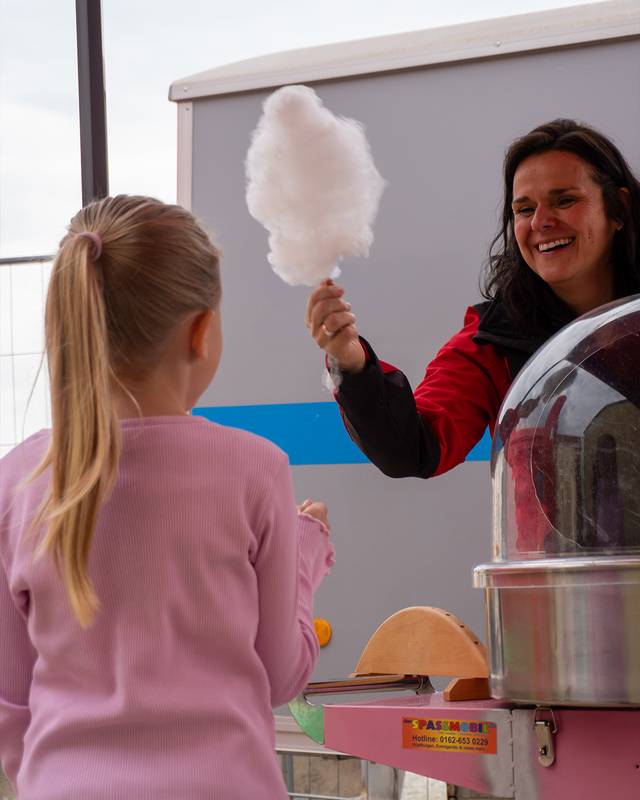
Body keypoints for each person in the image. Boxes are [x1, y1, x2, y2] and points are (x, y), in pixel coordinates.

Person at [0, 196, 334, 800]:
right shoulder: (256, 469)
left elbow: (9, 698)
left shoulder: (18, 480)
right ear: (201, 331)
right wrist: (307, 552)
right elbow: (281, 675)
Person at [305, 118, 640, 479]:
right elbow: (414, 447)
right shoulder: (493, 341)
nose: (540, 222)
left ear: (618, 209)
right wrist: (351, 363)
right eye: (524, 209)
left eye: (565, 200)